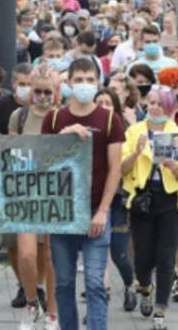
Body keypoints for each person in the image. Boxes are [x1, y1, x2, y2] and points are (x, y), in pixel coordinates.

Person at [41, 58, 125, 330]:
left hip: (94, 212)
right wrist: (64, 135)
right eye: (79, 80)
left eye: (90, 80)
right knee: (63, 283)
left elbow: (115, 169)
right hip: (63, 213)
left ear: (98, 82)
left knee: (95, 283)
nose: (85, 85)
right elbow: (43, 162)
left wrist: (103, 210)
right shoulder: (54, 118)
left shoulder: (110, 120)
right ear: (69, 82)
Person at [121, 86, 178, 330]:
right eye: (151, 102)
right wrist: (136, 152)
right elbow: (122, 169)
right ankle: (145, 287)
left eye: (160, 104)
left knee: (166, 257)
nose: (154, 107)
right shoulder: (134, 132)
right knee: (143, 259)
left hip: (172, 201)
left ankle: (160, 312)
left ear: (170, 108)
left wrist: (177, 169)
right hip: (143, 200)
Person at [8, 63, 60, 330]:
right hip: (25, 192)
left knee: (52, 256)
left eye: (47, 91)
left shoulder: (63, 117)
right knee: (26, 255)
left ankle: (52, 312)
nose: (41, 96)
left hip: (55, 192)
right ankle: (31, 302)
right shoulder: (19, 116)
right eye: (37, 90)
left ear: (57, 93)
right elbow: (11, 151)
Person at [94, 88, 138, 313]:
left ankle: (130, 284)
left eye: (107, 103)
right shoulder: (89, 130)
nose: (103, 107)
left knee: (119, 251)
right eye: (99, 102)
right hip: (95, 197)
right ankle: (99, 297)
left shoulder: (126, 130)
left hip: (120, 197)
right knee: (97, 249)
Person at [0, 63, 33, 135]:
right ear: (13, 83)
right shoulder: (2, 104)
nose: (26, 88)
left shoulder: (38, 105)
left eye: (30, 84)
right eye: (22, 84)